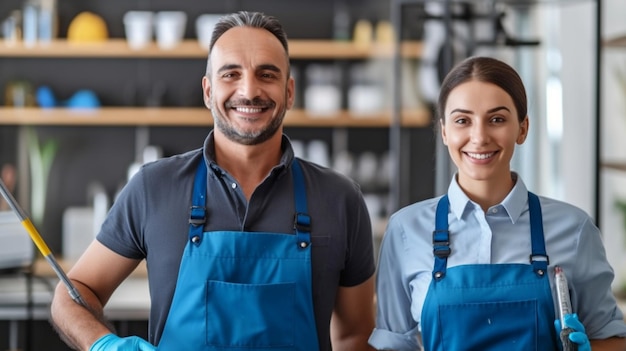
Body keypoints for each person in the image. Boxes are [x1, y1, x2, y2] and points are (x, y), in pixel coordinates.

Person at [50, 11, 376, 351]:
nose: (249, 91)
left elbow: (354, 336)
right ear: (208, 91)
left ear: (289, 92)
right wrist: (103, 345)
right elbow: (74, 290)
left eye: (266, 74)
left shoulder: (339, 199)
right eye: (230, 74)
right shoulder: (154, 188)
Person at [369, 56, 626, 351]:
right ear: (444, 131)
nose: (479, 137)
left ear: (523, 128)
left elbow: (613, 340)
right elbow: (392, 344)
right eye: (462, 121)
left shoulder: (575, 229)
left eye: (497, 119)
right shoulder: (406, 230)